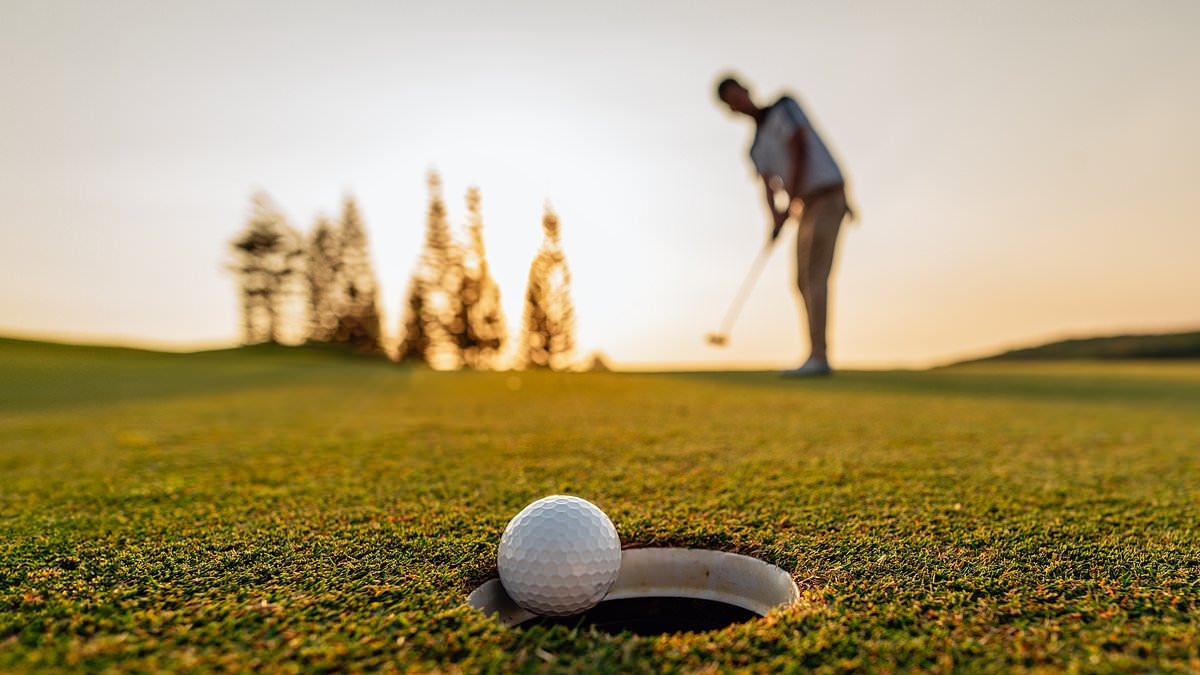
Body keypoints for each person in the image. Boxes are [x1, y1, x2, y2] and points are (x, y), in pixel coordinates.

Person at [716, 75, 851, 376]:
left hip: (826, 195)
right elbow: (767, 185)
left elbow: (798, 145)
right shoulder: (754, 149)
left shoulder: (784, 105)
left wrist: (789, 197)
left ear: (746, 89)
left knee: (814, 276)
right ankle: (815, 354)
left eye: (735, 94)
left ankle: (819, 357)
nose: (736, 102)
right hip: (806, 206)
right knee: (802, 280)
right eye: (729, 101)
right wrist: (774, 218)